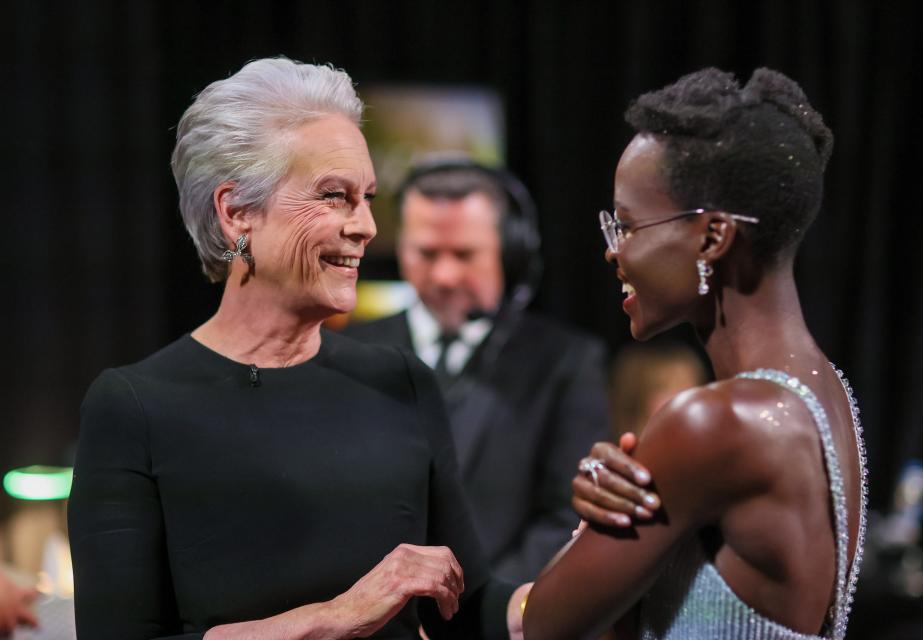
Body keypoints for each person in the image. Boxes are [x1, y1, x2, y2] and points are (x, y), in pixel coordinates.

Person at [67, 57, 539, 640]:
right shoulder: (133, 406)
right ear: (237, 212)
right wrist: (338, 618)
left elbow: (471, 612)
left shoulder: (402, 382)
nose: (366, 225)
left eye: (366, 197)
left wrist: (613, 555)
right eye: (334, 196)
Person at [523, 68, 868, 639]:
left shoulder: (714, 423)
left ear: (712, 238)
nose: (615, 253)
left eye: (628, 225)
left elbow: (546, 626)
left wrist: (592, 524)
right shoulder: (831, 393)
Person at [345, 159, 611, 582]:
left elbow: (567, 513)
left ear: (508, 251)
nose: (445, 275)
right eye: (426, 253)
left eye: (465, 254)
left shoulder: (568, 361)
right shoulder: (349, 353)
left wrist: (478, 611)